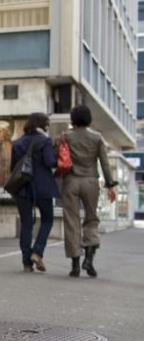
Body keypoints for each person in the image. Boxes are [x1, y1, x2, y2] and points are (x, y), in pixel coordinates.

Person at [59, 104, 118, 277]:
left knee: (72, 221)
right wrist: (110, 185)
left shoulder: (65, 136)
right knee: (92, 219)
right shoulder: (97, 137)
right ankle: (89, 260)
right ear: (89, 118)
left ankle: (75, 265)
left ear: (73, 118)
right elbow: (105, 164)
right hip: (91, 182)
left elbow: (59, 157)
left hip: (70, 181)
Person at [9, 112, 59, 273]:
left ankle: (26, 263)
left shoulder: (17, 143)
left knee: (26, 224)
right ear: (43, 125)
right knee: (47, 220)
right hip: (43, 188)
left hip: (22, 188)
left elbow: (13, 168)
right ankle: (37, 252)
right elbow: (50, 162)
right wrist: (56, 153)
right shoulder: (45, 141)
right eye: (47, 124)